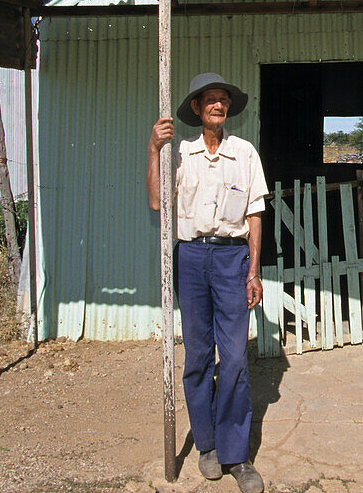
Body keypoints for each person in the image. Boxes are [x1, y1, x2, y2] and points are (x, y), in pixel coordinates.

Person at [147, 72, 267, 493]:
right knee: (198, 355)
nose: (217, 105)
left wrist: (254, 271)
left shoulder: (245, 153)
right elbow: (156, 201)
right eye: (209, 100)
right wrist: (153, 150)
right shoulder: (179, 153)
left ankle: (236, 455)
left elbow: (254, 216)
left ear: (229, 108)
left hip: (233, 258)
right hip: (192, 257)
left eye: (223, 100)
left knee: (234, 359)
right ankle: (207, 446)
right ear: (197, 109)